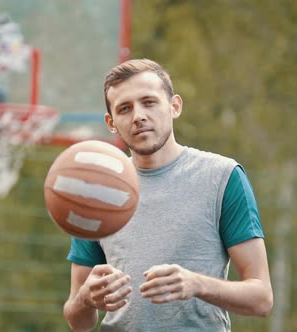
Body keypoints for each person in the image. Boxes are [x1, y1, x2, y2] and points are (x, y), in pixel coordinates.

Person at [63, 58, 273, 331]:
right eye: (124, 108)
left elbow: (262, 299)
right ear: (111, 122)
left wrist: (197, 284)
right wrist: (86, 299)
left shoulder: (222, 177)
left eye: (149, 102)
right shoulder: (97, 190)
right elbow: (78, 321)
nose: (138, 115)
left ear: (174, 106)